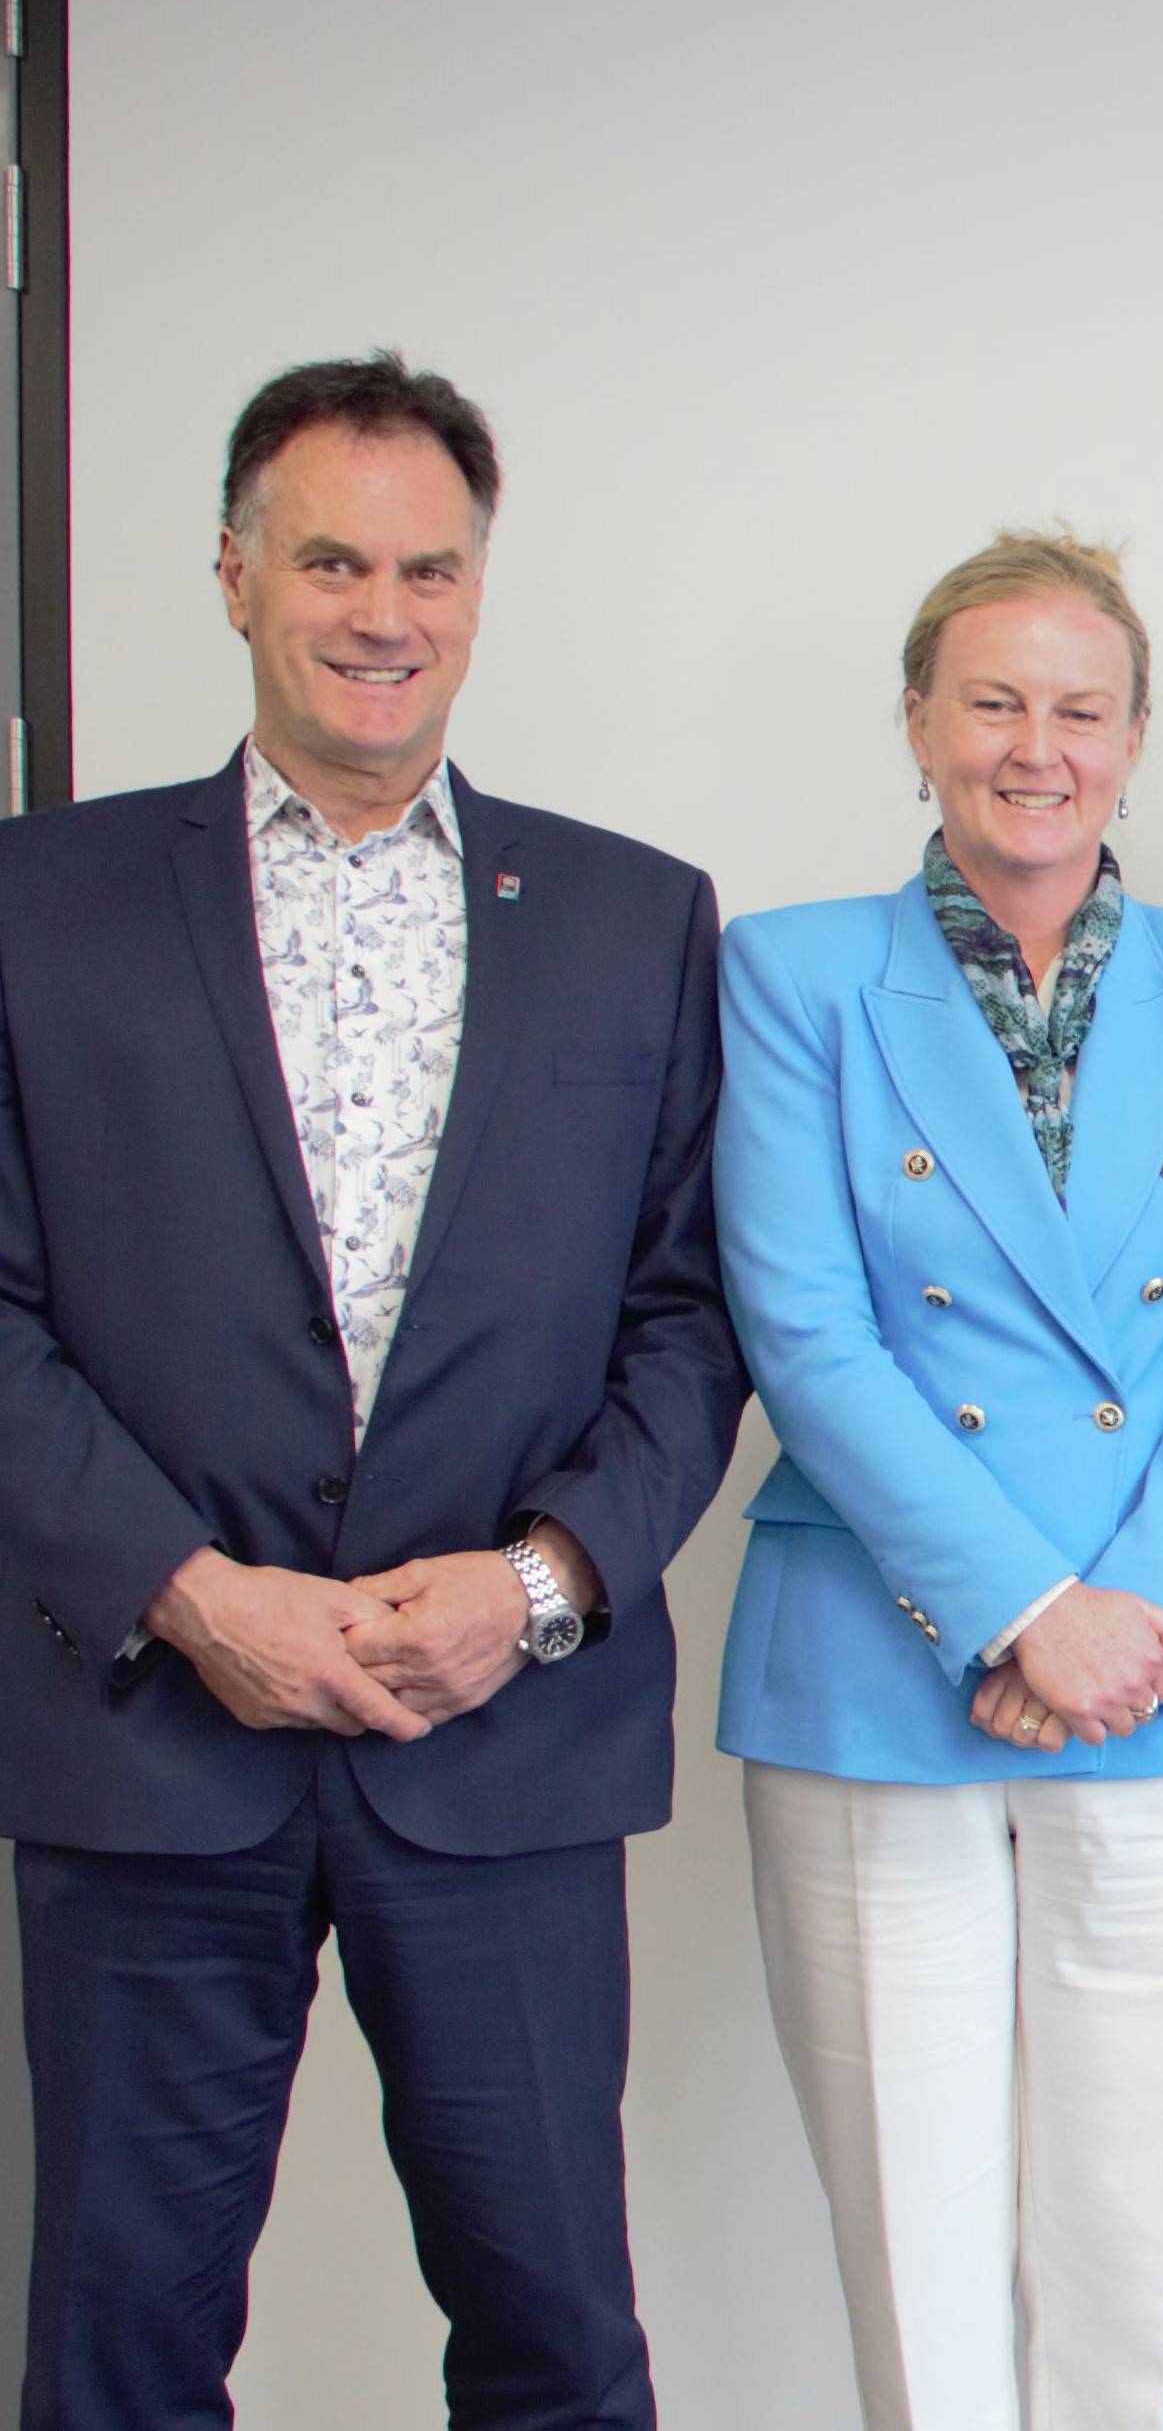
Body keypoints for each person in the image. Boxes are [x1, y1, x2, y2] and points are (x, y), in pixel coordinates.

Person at [0, 352, 747, 2428]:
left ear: (479, 597)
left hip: (500, 1743)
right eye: (329, 558)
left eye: (427, 566)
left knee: (554, 2346)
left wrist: (530, 1588)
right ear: (234, 575)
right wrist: (187, 1587)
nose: (379, 610)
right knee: (116, 2350)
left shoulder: (632, 920)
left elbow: (690, 1320)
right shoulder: (31, 902)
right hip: (151, 1734)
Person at [710, 528, 1163, 2431]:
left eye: (1080, 706)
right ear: (916, 723)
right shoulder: (793, 973)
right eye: (992, 700)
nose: (1034, 745)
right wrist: (1023, 1612)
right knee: (916, 2268)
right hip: (878, 1666)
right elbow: (804, 1330)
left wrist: (1126, 1624)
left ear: (1136, 738)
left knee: (1136, 2266)